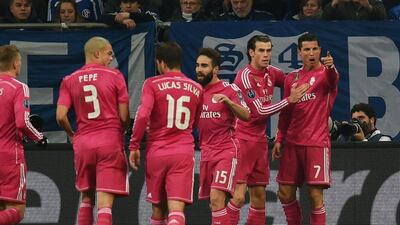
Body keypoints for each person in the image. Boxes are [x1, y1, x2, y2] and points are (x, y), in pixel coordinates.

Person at [227, 35, 309, 225]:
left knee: (259, 198)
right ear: (251, 53)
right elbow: (259, 111)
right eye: (261, 51)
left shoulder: (272, 72)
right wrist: (289, 99)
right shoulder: (244, 76)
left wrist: (312, 72)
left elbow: (291, 80)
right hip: (242, 140)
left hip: (260, 142)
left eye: (268, 50)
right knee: (238, 197)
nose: (266, 55)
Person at [56, 36, 130, 225]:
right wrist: (123, 130)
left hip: (83, 143)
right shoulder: (115, 76)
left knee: (86, 198)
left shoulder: (69, 79)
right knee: (104, 203)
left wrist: (72, 135)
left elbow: (60, 116)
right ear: (97, 53)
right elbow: (123, 116)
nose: (111, 58)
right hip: (109, 141)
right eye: (108, 53)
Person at [129, 42, 203, 225]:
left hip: (157, 151)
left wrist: (134, 145)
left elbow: (142, 115)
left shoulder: (152, 84)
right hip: (183, 152)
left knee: (158, 209)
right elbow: (198, 122)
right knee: (176, 210)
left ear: (161, 63)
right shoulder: (197, 88)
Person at [272, 32, 339, 225]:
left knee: (315, 195)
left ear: (320, 50)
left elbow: (333, 79)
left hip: (316, 144)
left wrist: (331, 66)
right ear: (299, 52)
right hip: (292, 143)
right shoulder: (291, 78)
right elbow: (286, 111)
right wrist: (279, 138)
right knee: (285, 194)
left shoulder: (326, 75)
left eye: (315, 49)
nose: (311, 52)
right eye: (307, 49)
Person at [195, 48, 250, 225]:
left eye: (204, 65)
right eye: (197, 65)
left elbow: (246, 114)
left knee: (216, 198)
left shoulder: (229, 89)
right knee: (215, 205)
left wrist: (228, 101)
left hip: (226, 150)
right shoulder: (196, 92)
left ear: (216, 69)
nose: (199, 69)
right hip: (205, 152)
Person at [0, 44, 47, 225]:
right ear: (15, 64)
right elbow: (22, 122)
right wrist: (39, 137)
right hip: (10, 157)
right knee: (16, 211)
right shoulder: (18, 87)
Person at [323, 0, 387, 20]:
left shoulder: (374, 2)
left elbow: (383, 18)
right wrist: (334, 4)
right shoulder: (340, 4)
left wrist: (368, 7)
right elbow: (323, 19)